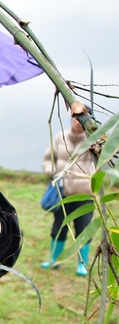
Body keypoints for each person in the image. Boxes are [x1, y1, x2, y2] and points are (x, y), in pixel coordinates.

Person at [41, 116, 96, 276]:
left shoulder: (93, 140)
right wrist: (51, 171)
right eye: (76, 118)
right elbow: (48, 159)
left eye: (82, 119)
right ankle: (54, 260)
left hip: (84, 194)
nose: (78, 122)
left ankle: (82, 265)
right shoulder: (60, 137)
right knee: (58, 228)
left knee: (83, 229)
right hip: (62, 192)